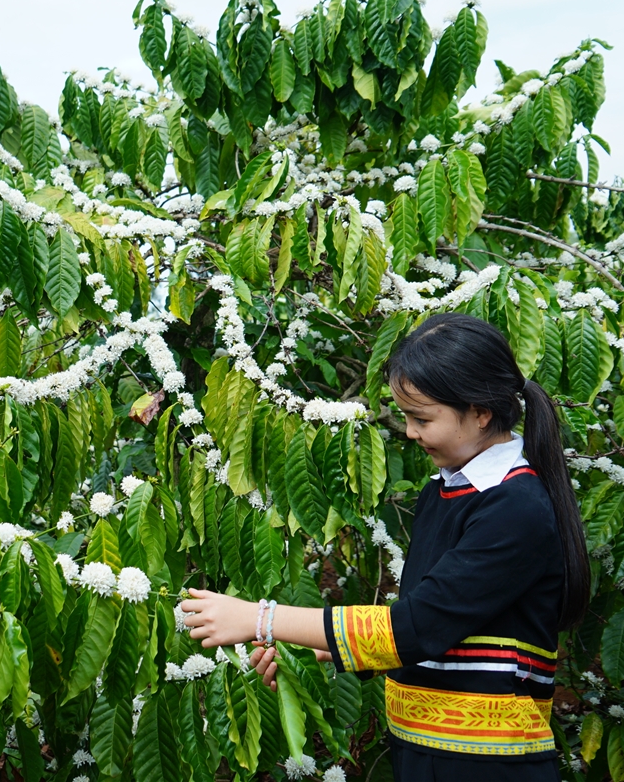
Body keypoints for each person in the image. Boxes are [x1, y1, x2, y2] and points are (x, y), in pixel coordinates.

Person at [181, 312, 589, 782]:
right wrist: (315, 647)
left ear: (481, 412)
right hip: (424, 754)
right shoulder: (445, 491)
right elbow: (438, 625)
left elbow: (416, 627)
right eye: (406, 417)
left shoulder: (515, 506)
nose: (411, 433)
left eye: (422, 418)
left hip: (489, 765)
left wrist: (263, 617)